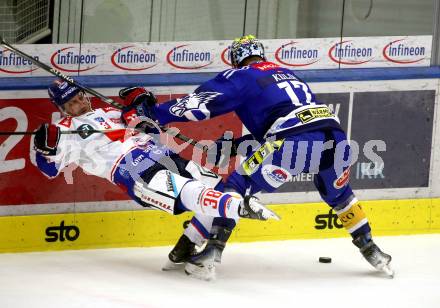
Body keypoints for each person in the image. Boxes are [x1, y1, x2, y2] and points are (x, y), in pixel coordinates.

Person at [131, 35, 394, 280]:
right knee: (340, 196)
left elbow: (202, 103)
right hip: (335, 138)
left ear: (236, 59)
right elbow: (286, 117)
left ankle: (209, 251)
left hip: (294, 142)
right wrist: (240, 145)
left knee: (232, 188)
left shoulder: (243, 75)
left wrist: (156, 114)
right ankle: (372, 250)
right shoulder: (287, 73)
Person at [31, 79, 280, 231]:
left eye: (80, 97)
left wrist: (141, 103)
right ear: (62, 108)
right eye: (72, 103)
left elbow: (144, 120)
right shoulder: (63, 131)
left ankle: (192, 247)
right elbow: (50, 170)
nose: (81, 104)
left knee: (215, 185)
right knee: (186, 191)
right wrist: (42, 150)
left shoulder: (108, 111)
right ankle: (241, 207)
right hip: (131, 169)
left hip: (161, 153)